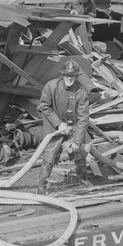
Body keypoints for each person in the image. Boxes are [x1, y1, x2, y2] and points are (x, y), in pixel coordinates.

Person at [35, 59, 90, 188]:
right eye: (67, 75)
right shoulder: (51, 86)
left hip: (74, 126)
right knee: (50, 155)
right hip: (53, 126)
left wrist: (76, 141)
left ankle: (83, 180)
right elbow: (44, 106)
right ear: (63, 75)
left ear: (76, 77)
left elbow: (83, 118)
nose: (69, 78)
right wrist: (59, 124)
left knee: (80, 152)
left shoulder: (81, 93)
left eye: (72, 76)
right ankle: (42, 185)